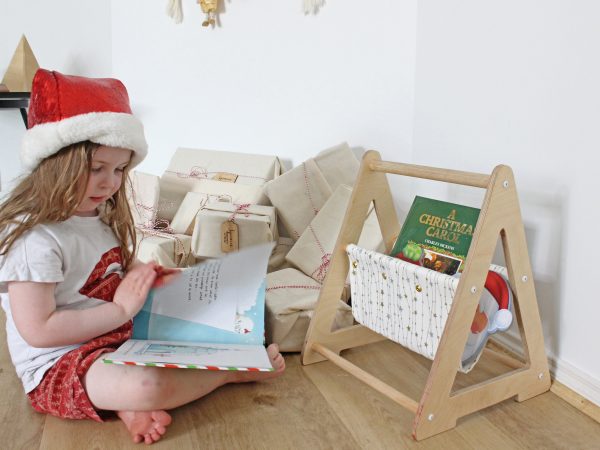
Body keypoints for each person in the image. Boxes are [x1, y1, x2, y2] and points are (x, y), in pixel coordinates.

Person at [0, 69, 285, 445]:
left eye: (119, 169)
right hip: (60, 361)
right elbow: (39, 331)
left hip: (118, 333)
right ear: (56, 163)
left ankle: (121, 402)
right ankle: (228, 373)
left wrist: (144, 274)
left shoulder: (96, 210)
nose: (111, 182)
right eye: (97, 169)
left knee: (225, 316)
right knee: (145, 384)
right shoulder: (36, 238)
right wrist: (120, 311)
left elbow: (115, 262)